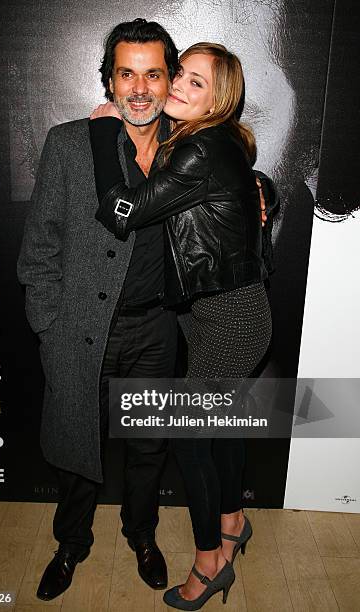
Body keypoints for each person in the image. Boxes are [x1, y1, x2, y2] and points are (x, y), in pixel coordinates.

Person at [17, 18, 269, 603]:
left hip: (159, 328)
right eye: (126, 73)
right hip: (80, 329)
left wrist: (266, 192)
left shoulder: (188, 142)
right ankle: (71, 543)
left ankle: (142, 536)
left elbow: (234, 182)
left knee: (150, 444)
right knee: (77, 445)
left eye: (154, 74)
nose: (140, 87)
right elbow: (41, 247)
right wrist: (48, 324)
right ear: (109, 80)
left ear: (169, 80)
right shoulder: (68, 141)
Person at [89, 42, 274, 608]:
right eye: (181, 75)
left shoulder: (201, 150)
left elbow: (122, 211)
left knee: (193, 441)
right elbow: (240, 191)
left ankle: (209, 564)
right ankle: (234, 524)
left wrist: (102, 131)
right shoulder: (201, 142)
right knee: (221, 430)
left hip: (230, 318)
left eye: (196, 83)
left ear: (219, 101)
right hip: (214, 313)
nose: (176, 88)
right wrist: (266, 189)